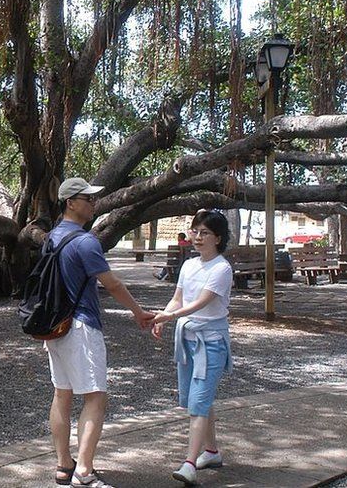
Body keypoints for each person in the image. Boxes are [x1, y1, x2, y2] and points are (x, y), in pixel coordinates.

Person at [46, 177, 155, 487]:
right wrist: (139, 312)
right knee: (95, 397)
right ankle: (84, 471)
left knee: (62, 394)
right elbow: (113, 284)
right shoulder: (85, 241)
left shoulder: (51, 238)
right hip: (81, 326)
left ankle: (63, 464)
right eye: (88, 199)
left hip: (55, 327)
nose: (94, 204)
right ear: (70, 202)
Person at [151, 210, 234, 486]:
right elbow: (178, 298)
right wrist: (162, 316)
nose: (197, 237)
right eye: (195, 231)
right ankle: (211, 452)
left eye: (205, 232)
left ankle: (189, 464)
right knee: (197, 399)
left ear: (218, 238)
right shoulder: (189, 265)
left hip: (210, 342)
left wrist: (171, 317)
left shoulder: (222, 268)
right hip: (187, 339)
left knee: (198, 404)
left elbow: (202, 302)